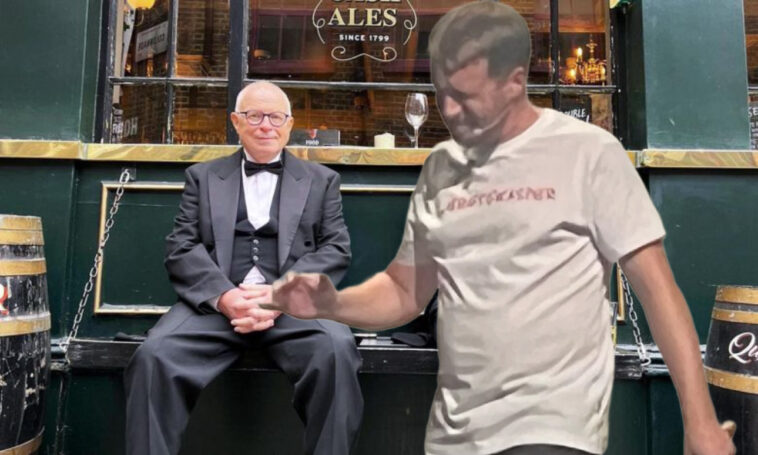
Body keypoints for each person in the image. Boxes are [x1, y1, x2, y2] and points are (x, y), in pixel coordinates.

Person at [267, 3, 736, 455]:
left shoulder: (589, 152)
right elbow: (404, 291)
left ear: (515, 82)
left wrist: (700, 421)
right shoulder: (442, 168)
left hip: (553, 425)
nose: (451, 110)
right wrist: (332, 304)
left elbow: (657, 290)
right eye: (443, 93)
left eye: (467, 96)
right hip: (457, 434)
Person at [124, 81, 363, 455]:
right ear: (236, 122)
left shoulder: (322, 180)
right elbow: (181, 247)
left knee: (336, 349)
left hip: (292, 308)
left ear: (289, 124)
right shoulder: (202, 176)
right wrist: (224, 297)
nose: (265, 125)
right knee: (153, 356)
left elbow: (335, 249)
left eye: (275, 117)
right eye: (254, 116)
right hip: (216, 308)